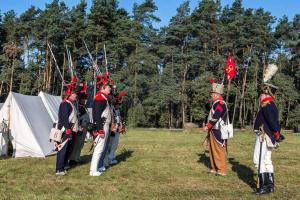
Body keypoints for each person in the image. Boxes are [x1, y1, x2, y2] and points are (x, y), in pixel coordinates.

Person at [253, 64, 285, 195]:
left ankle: (264, 186)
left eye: (262, 93)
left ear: (267, 93)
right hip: (268, 135)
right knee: (266, 160)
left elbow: (272, 122)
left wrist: (276, 133)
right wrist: (276, 134)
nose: (259, 96)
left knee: (258, 160)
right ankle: (270, 185)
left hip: (264, 135)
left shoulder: (267, 105)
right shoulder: (270, 105)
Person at [203, 81, 228, 176]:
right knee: (212, 149)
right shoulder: (216, 103)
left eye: (213, 94)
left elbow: (216, 116)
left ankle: (221, 169)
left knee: (219, 149)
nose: (211, 95)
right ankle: (214, 167)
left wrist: (208, 126)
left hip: (218, 129)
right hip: (214, 129)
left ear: (217, 94)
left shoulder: (220, 103)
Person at [89, 83, 112, 176]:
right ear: (103, 88)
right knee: (99, 148)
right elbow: (97, 116)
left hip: (104, 125)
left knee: (101, 148)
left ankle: (97, 167)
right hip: (101, 126)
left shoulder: (104, 98)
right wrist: (100, 129)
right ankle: (93, 170)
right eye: (108, 87)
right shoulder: (99, 98)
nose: (110, 89)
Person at [55, 88, 79, 176]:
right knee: (62, 149)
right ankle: (59, 169)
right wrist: (68, 130)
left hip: (70, 129)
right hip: (65, 130)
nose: (76, 95)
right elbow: (64, 118)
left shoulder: (70, 104)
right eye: (74, 94)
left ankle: (64, 165)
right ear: (69, 95)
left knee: (68, 149)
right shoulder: (65, 104)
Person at [68, 90, 89, 166]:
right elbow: (78, 118)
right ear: (80, 99)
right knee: (77, 145)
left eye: (85, 99)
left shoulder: (83, 107)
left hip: (84, 128)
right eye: (83, 99)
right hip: (80, 128)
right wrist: (80, 127)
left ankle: (77, 158)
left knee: (80, 144)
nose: (85, 100)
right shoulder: (79, 107)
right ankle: (73, 160)